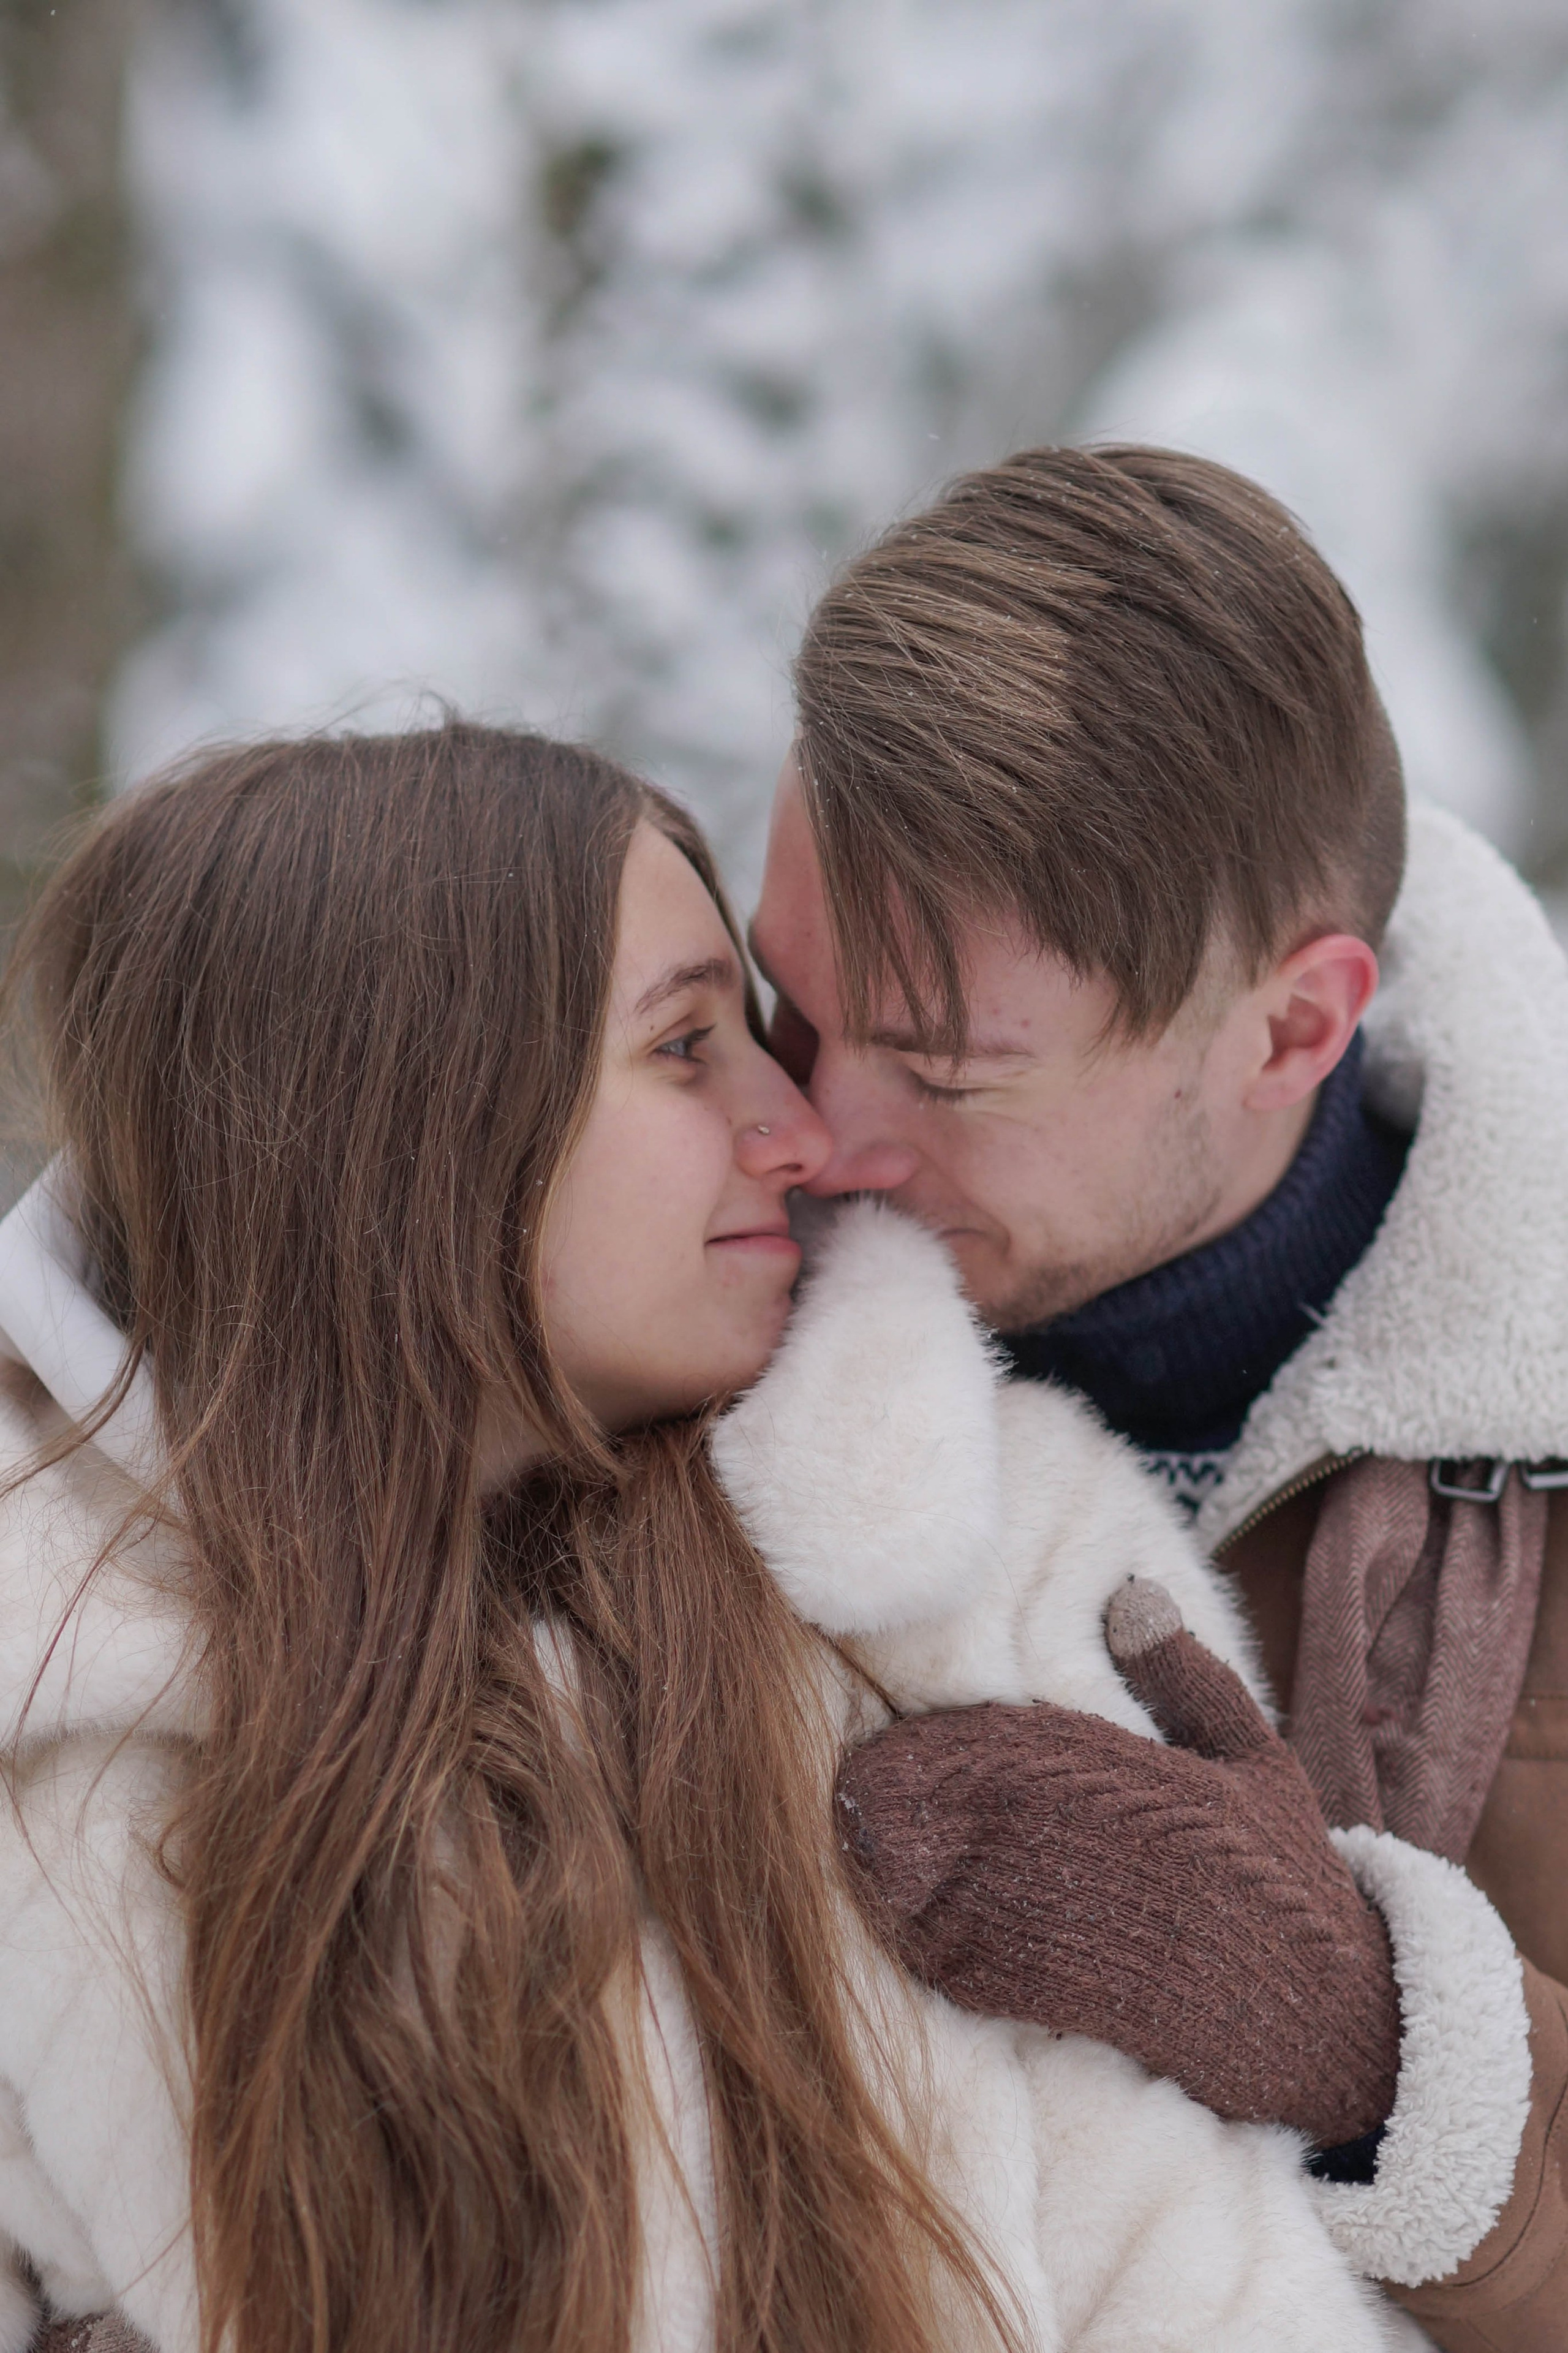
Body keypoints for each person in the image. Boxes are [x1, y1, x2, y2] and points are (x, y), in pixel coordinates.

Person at [0, 719, 1407, 2353]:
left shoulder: (948, 1585)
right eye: (687, 1047)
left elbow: (1198, 2301)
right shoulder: (55, 1742)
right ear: (406, 1129)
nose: (798, 1128)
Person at [749, 442, 1568, 2352]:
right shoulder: (674, 1293)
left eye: (940, 1070)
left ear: (1293, 1025)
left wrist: (1378, 2044)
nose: (808, 1134)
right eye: (792, 1006)